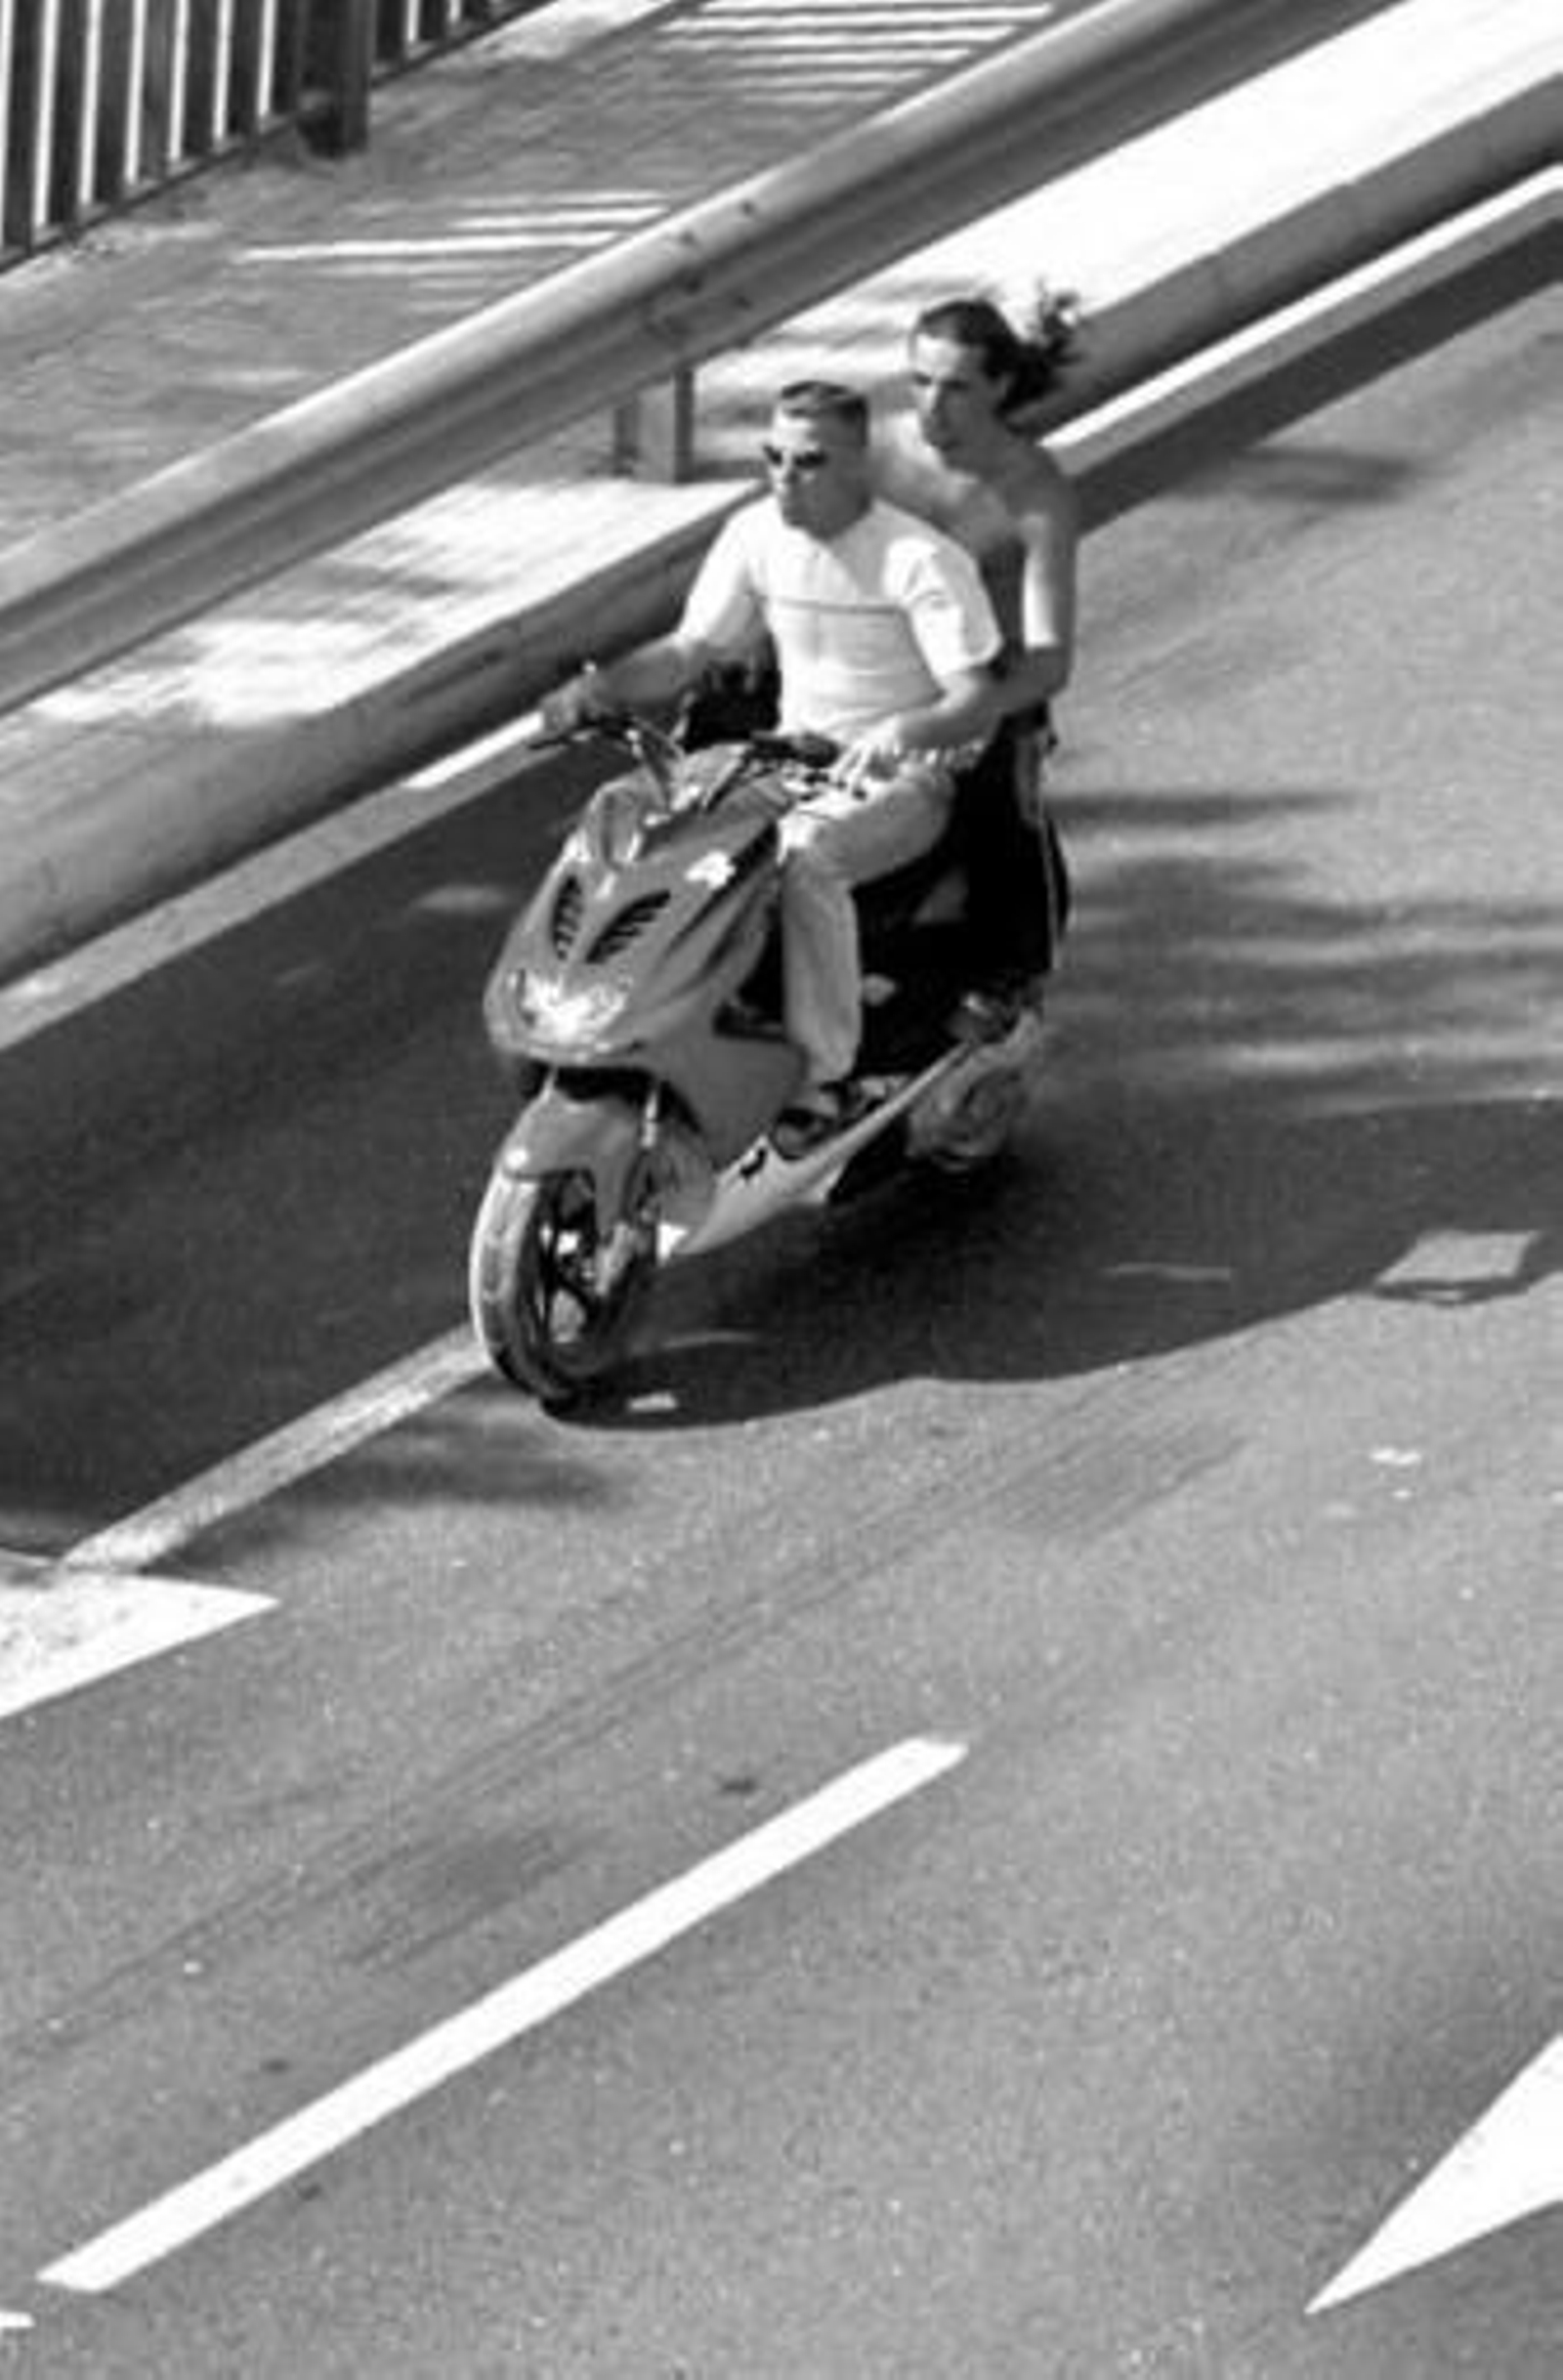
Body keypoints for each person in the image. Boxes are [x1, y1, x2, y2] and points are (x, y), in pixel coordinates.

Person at [540, 378, 1004, 1143]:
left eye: (809, 462)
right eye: (774, 458)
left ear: (858, 464)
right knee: (625, 819)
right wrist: (603, 687)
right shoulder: (755, 535)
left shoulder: (918, 558)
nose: (784, 478)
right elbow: (691, 652)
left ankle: (825, 1075)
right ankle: (619, 1010)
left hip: (901, 782)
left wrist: (904, 732)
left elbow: (976, 699)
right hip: (785, 762)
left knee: (804, 860)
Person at [878, 289, 1082, 1021]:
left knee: (1000, 821)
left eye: (957, 387)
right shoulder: (868, 454)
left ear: (997, 387)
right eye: (920, 383)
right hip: (865, 672)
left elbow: (1048, 658)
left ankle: (1006, 981)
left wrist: (965, 717)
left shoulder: (1034, 494)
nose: (934, 406)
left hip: (981, 688)